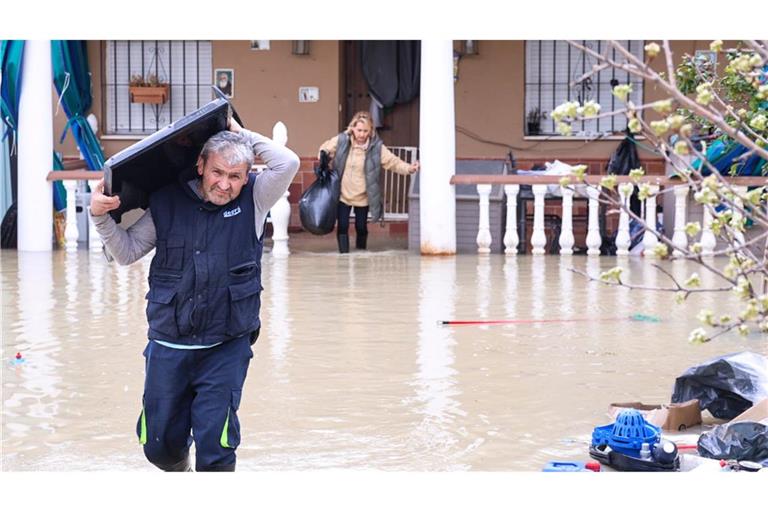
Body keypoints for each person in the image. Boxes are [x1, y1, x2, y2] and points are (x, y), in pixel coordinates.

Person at [89, 119, 299, 471]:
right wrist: (100, 218)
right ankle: (179, 469)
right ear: (200, 165)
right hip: (170, 345)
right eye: (217, 172)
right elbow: (126, 252)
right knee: (159, 447)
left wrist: (238, 131)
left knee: (216, 447)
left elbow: (288, 162)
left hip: (226, 345)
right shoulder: (168, 201)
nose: (224, 184)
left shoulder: (256, 199)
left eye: (235, 176)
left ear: (247, 176)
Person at [318, 111, 419, 253]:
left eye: (365, 131)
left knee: (361, 227)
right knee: (342, 226)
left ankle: (361, 254)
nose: (361, 134)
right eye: (359, 130)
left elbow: (393, 162)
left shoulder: (377, 148)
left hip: (363, 196)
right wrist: (323, 156)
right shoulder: (341, 141)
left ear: (371, 131)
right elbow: (324, 149)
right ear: (352, 128)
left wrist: (409, 168)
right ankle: (344, 256)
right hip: (343, 194)